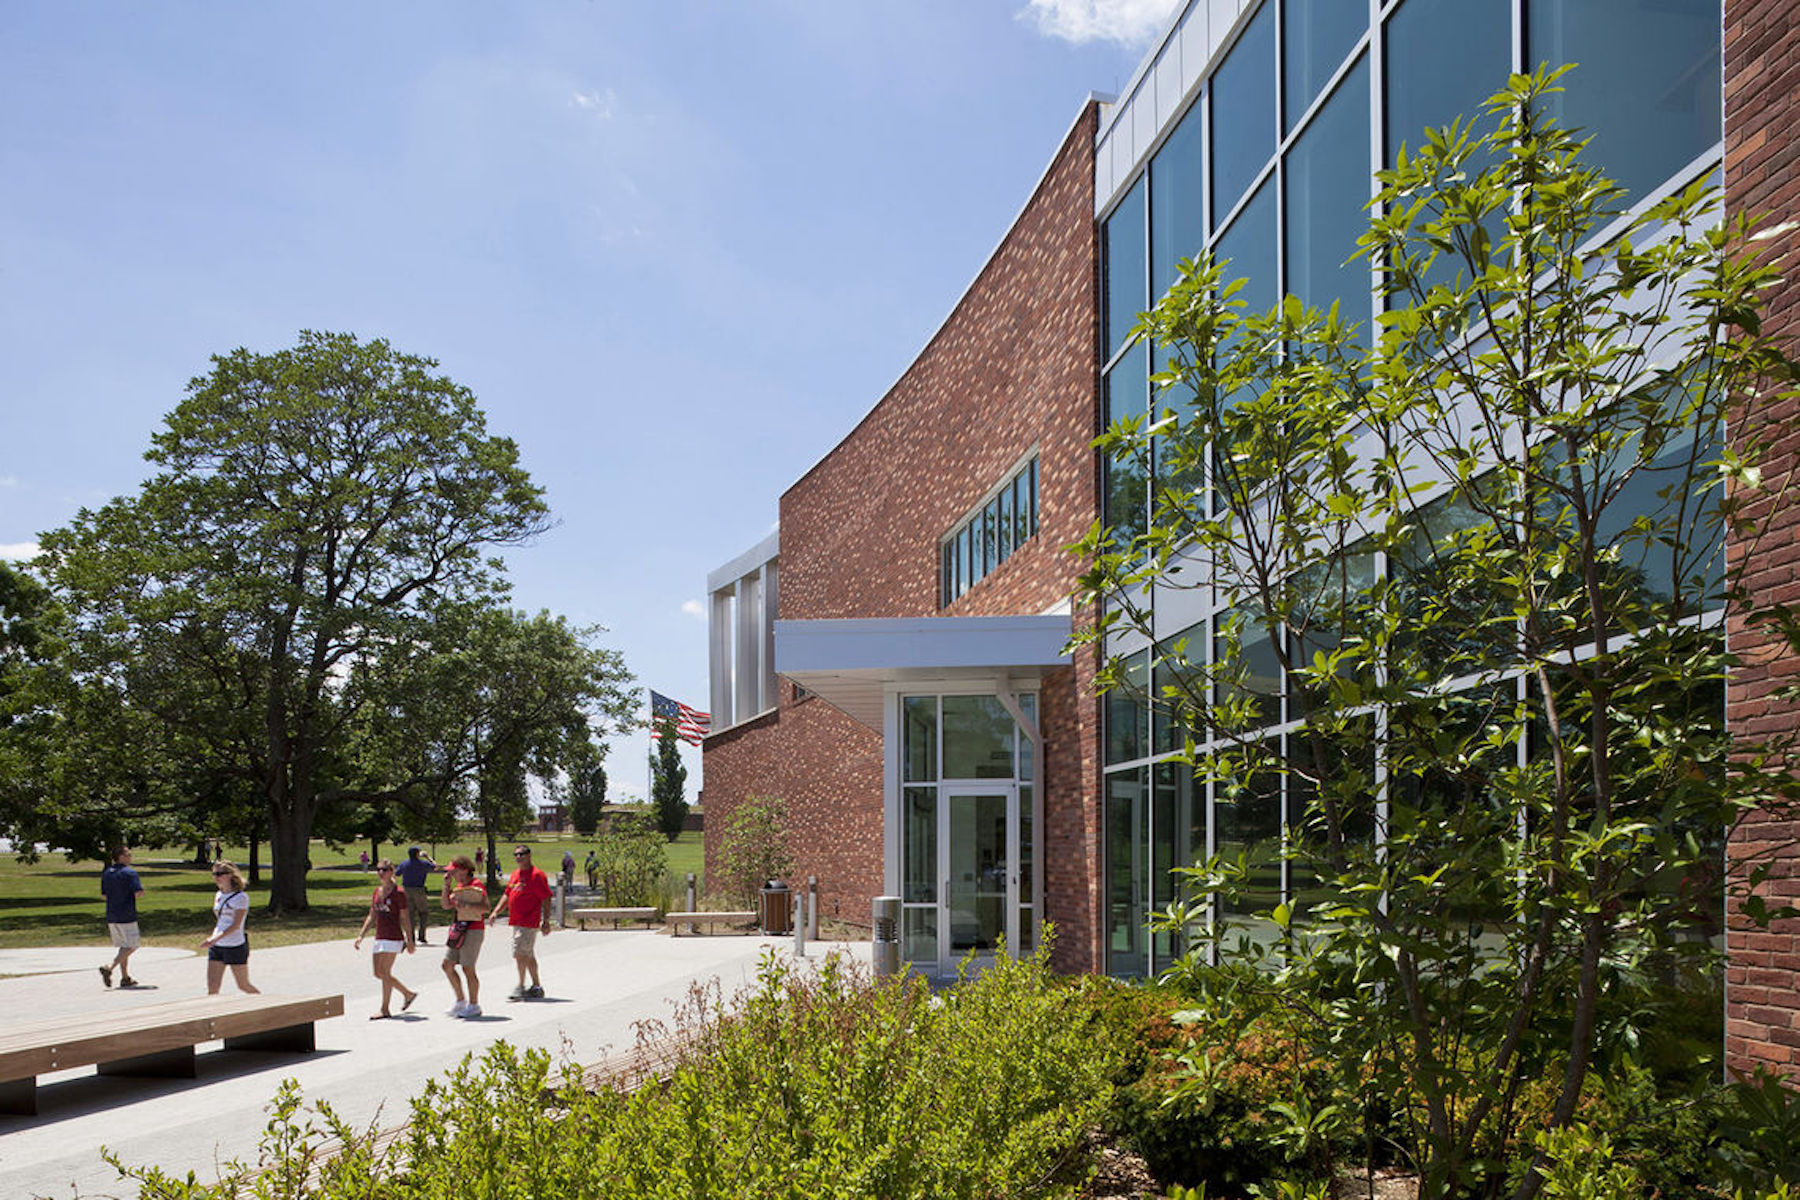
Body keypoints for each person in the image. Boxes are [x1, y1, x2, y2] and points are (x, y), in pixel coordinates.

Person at [353, 860, 418, 1018]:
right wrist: (361, 935)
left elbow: (405, 918)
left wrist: (410, 940)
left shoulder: (399, 893)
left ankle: (385, 1009)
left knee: (385, 972)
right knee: (378, 973)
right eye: (379, 869)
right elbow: (372, 915)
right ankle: (408, 994)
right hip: (380, 936)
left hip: (394, 936)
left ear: (391, 871)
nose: (381, 872)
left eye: (385, 869)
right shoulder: (377, 892)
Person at [489, 845, 553, 1001]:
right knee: (527, 955)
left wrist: (546, 921)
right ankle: (536, 987)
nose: (518, 857)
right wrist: (496, 911)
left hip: (529, 921)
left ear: (529, 855)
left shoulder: (537, 875)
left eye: (521, 854)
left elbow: (546, 898)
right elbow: (507, 894)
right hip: (517, 922)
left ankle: (520, 986)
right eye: (516, 855)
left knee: (519, 953)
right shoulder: (516, 874)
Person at [439, 855, 487, 1018]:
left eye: (455, 871)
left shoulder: (476, 885)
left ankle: (474, 1005)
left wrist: (467, 905)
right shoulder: (459, 887)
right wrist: (446, 886)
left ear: (465, 870)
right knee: (447, 965)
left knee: (468, 968)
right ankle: (460, 1001)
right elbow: (445, 905)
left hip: (473, 929)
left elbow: (485, 907)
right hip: (459, 928)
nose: (452, 874)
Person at [201, 861, 259, 994]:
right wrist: (214, 938)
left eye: (220, 874)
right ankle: (213, 1013)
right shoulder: (219, 895)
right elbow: (221, 921)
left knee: (243, 985)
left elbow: (236, 925)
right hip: (217, 945)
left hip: (235, 945)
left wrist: (214, 939)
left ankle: (265, 1005)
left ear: (230, 875)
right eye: (214, 874)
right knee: (213, 987)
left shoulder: (241, 897)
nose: (216, 877)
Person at [99, 846, 145, 988]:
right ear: (121, 856)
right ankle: (110, 967)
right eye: (128, 854)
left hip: (112, 914)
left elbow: (103, 895)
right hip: (127, 915)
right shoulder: (129, 873)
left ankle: (125, 977)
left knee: (124, 946)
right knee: (133, 945)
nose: (130, 857)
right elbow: (138, 892)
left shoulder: (107, 873)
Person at [395, 846, 436, 944]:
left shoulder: (404, 863)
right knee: (423, 913)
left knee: (409, 914)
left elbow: (397, 873)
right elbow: (435, 866)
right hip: (419, 889)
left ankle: (411, 937)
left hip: (406, 890)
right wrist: (427, 857)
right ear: (418, 854)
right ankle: (421, 936)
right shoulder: (423, 863)